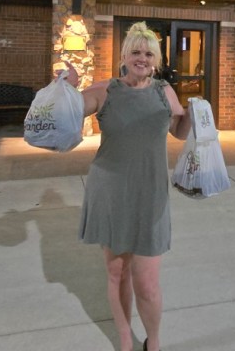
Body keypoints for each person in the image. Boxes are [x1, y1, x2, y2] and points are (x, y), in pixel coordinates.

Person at [64, 21, 191, 351]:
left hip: (151, 193)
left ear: (157, 59)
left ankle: (154, 342)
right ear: (123, 55)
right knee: (117, 272)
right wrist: (65, 90)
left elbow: (179, 130)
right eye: (135, 51)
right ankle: (124, 339)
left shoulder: (164, 91)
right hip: (111, 191)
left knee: (147, 281)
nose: (142, 58)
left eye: (148, 53)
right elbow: (72, 110)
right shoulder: (105, 90)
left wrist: (196, 114)